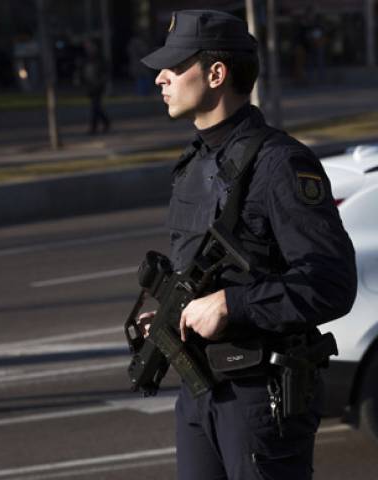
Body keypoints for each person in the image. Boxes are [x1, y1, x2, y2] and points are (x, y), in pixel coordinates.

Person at [138, 10, 357, 479]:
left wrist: (231, 305)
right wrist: (180, 312)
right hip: (199, 390)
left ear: (216, 73)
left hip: (260, 398)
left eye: (174, 67)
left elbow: (331, 283)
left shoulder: (280, 165)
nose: (160, 78)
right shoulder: (193, 164)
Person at [80, 39, 110, 135]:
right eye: (86, 46)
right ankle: (105, 122)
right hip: (90, 86)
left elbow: (105, 72)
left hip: (98, 86)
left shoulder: (99, 58)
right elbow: (83, 73)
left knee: (95, 106)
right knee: (96, 107)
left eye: (89, 46)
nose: (88, 48)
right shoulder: (85, 59)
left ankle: (94, 127)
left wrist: (101, 82)